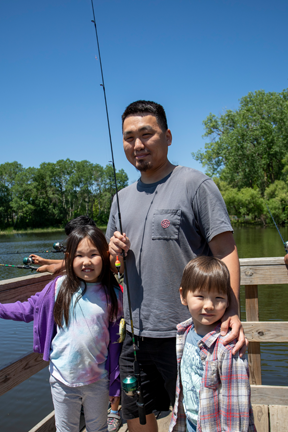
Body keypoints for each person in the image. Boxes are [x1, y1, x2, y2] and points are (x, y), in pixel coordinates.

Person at [107, 100, 246, 432]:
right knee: (137, 414)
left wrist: (233, 311)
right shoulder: (119, 199)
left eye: (147, 134)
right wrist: (114, 253)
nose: (137, 145)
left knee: (201, 419)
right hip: (136, 336)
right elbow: (116, 269)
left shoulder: (195, 184)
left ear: (167, 136)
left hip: (192, 332)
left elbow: (226, 250)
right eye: (129, 137)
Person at [0, 225, 123, 432]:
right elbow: (28, 309)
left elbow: (116, 343)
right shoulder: (57, 287)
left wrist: (115, 382)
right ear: (69, 259)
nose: (86, 261)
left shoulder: (113, 295)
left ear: (104, 256)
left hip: (98, 381)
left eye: (93, 254)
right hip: (62, 380)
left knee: (98, 428)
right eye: (79, 256)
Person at [169, 256, 256, 432]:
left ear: (228, 301)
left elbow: (236, 407)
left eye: (218, 297)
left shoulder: (228, 346)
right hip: (191, 420)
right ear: (183, 295)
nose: (209, 305)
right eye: (200, 296)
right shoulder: (184, 333)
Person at [30, 215, 97, 274]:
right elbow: (68, 263)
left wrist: (45, 268)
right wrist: (44, 261)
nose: (70, 241)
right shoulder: (96, 253)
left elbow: (55, 269)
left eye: (71, 237)